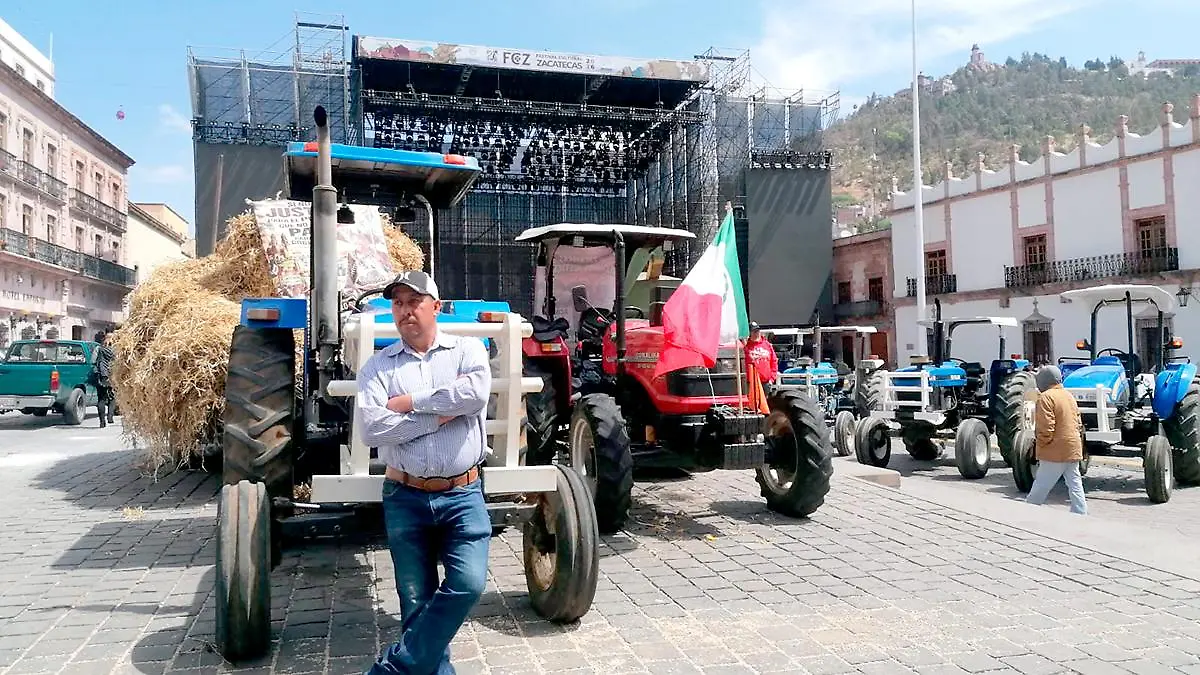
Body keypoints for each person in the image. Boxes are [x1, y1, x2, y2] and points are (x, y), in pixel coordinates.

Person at [357, 270, 492, 675]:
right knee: (415, 603)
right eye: (398, 303)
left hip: (462, 495)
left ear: (436, 306)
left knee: (469, 583)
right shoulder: (377, 368)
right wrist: (436, 418)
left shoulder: (467, 351)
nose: (405, 310)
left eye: (414, 301)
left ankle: (393, 669)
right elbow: (372, 429)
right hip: (405, 497)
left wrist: (409, 402)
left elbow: (474, 394)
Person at [1025, 365, 1088, 515]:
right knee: (1075, 483)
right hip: (1072, 447)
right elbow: (1078, 422)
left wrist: (1041, 443)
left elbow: (1046, 426)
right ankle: (1080, 512)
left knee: (1041, 484)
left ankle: (1027, 510)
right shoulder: (1068, 395)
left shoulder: (1046, 397)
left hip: (1054, 449)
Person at [92, 331, 116, 428]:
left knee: (101, 399)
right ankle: (110, 417)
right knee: (112, 397)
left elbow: (93, 361)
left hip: (101, 376)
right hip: (113, 376)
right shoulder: (116, 350)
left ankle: (102, 422)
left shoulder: (98, 348)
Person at [744, 322, 778, 386]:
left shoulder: (767, 345)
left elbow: (774, 361)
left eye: (757, 331)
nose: (756, 333)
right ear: (749, 333)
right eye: (754, 331)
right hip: (751, 383)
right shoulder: (746, 347)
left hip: (766, 382)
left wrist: (772, 379)